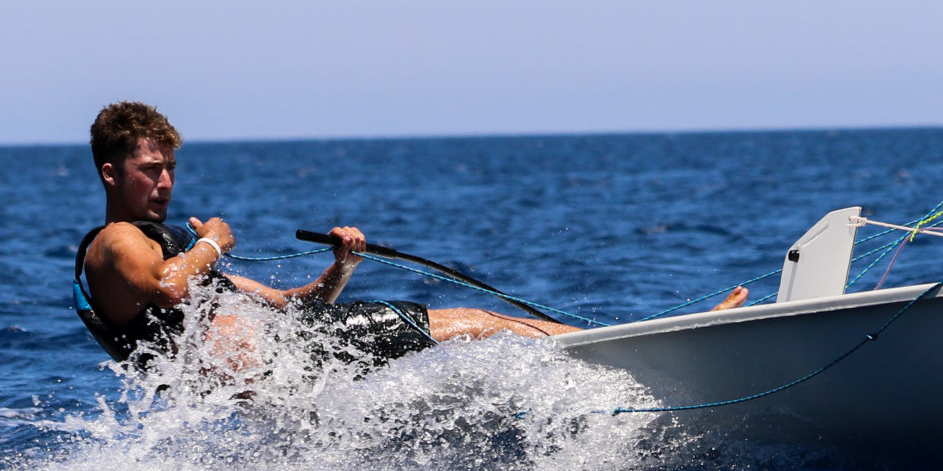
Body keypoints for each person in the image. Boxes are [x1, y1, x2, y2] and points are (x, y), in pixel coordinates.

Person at [73, 102, 745, 375]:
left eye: (170, 167)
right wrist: (214, 239)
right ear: (111, 171)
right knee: (480, 322)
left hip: (300, 353)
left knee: (478, 336)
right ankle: (640, 352)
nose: (164, 181)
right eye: (149, 168)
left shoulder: (159, 244)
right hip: (296, 360)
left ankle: (610, 353)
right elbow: (169, 284)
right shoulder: (117, 246)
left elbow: (293, 302)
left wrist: (342, 267)